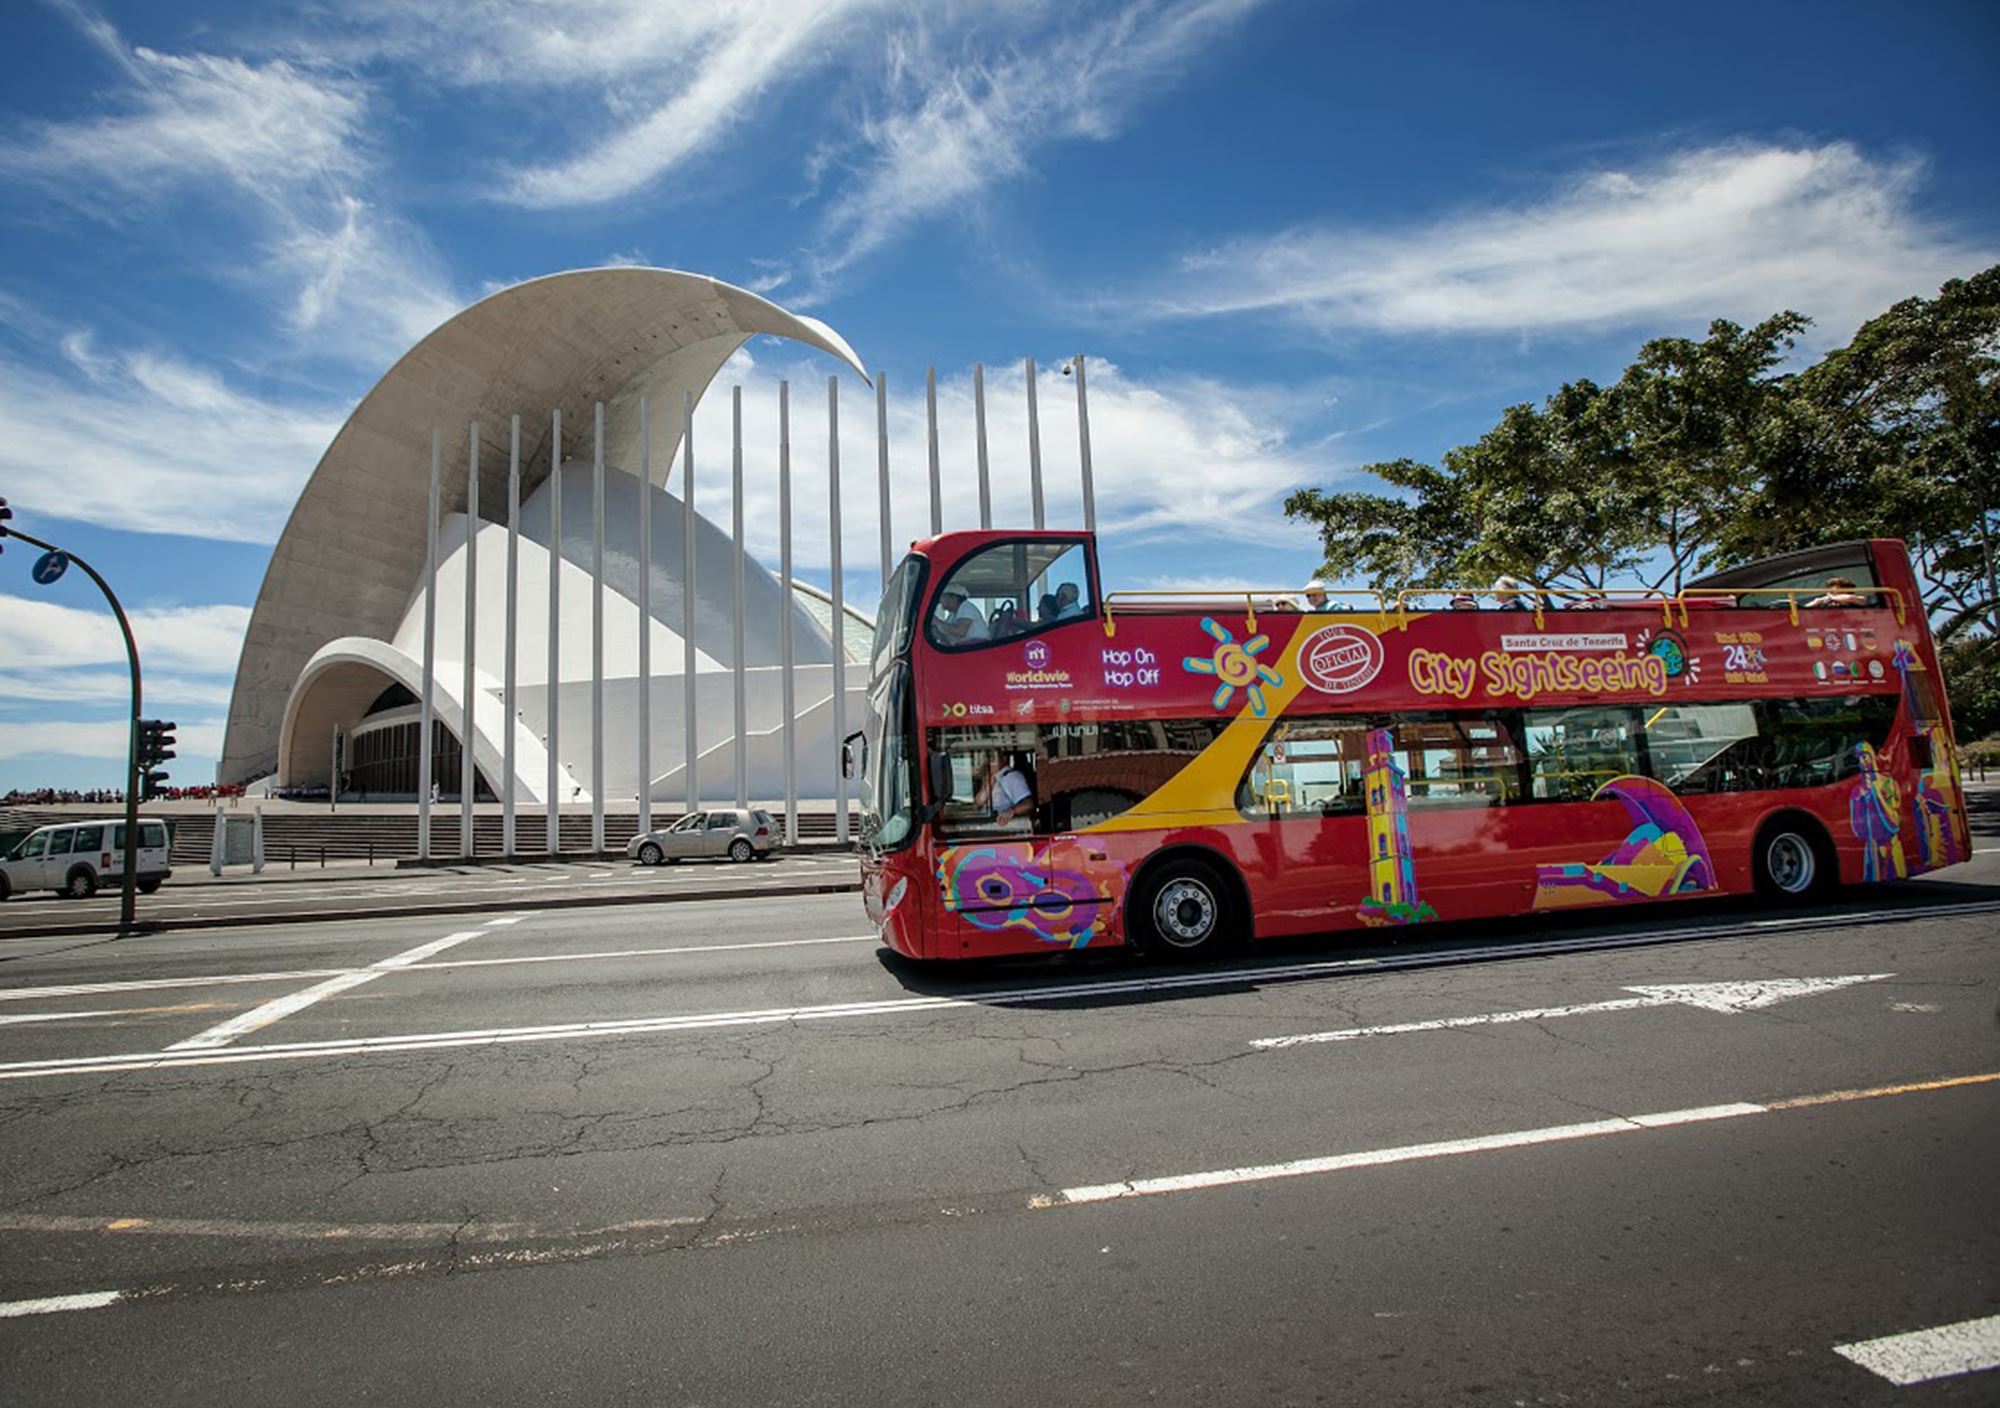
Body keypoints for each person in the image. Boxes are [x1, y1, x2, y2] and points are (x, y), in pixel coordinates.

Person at [981, 753, 1034, 826]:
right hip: (985, 822)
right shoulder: (990, 778)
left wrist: (1011, 811)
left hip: (1006, 824)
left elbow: (1028, 804)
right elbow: (979, 802)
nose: (989, 762)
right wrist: (989, 784)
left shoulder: (1012, 777)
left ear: (1004, 759)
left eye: (993, 758)